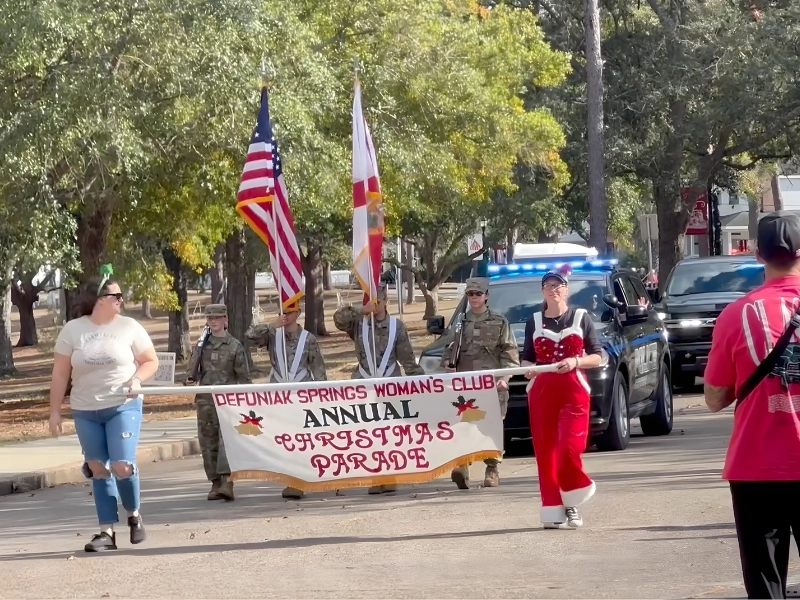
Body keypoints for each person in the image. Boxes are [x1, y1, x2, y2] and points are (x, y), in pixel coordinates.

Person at [704, 211, 800, 599]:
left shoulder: (736, 315)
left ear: (758, 256)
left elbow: (713, 398)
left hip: (757, 464)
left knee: (765, 584)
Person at [49, 267, 159, 552]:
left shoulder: (129, 327)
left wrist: (137, 378)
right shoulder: (73, 330)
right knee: (98, 467)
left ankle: (134, 515)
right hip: (86, 410)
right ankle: (106, 532)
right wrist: (55, 411)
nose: (121, 300)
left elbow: (150, 361)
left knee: (122, 465)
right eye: (116, 296)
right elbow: (60, 374)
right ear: (99, 299)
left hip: (123, 406)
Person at [522, 265, 603, 529]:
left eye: (558, 286)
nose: (553, 290)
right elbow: (527, 358)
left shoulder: (581, 317)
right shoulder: (533, 321)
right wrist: (528, 370)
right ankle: (553, 508)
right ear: (542, 291)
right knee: (545, 452)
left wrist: (576, 361)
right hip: (542, 391)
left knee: (569, 447)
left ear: (566, 290)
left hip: (574, 389)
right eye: (548, 286)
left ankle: (572, 501)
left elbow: (598, 356)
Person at [334, 283, 424, 494]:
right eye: (370, 301)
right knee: (368, 433)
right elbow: (338, 320)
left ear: (386, 301)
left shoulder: (396, 326)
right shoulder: (358, 324)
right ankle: (375, 475)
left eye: (378, 301)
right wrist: (361, 309)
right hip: (363, 384)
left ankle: (390, 474)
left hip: (390, 384)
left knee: (389, 433)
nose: (374, 305)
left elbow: (407, 358)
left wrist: (421, 383)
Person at [440, 277, 519, 489]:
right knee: (464, 425)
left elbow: (510, 354)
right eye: (470, 294)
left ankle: (492, 468)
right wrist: (448, 364)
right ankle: (462, 467)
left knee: (491, 428)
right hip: (465, 385)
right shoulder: (460, 323)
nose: (474, 298)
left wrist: (504, 379)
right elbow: (447, 351)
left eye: (478, 294)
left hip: (491, 385)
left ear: (486, 296)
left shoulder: (500, 322)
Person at [246, 300, 327, 500]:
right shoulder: (273, 335)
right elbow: (250, 337)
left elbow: (318, 368)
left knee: (301, 439)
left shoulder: (308, 339)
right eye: (282, 312)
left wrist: (323, 396)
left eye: (290, 312)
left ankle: (298, 481)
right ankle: (289, 477)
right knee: (283, 439)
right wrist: (272, 325)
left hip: (302, 395)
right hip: (278, 396)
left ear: (298, 313)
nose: (286, 316)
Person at [185, 304, 251, 502]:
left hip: (228, 401)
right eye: (210, 318)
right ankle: (215, 482)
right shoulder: (202, 344)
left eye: (217, 318)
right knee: (208, 442)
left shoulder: (234, 345)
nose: (213, 322)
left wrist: (245, 402)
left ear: (225, 320)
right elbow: (191, 372)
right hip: (206, 400)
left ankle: (227, 482)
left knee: (227, 442)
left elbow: (244, 378)